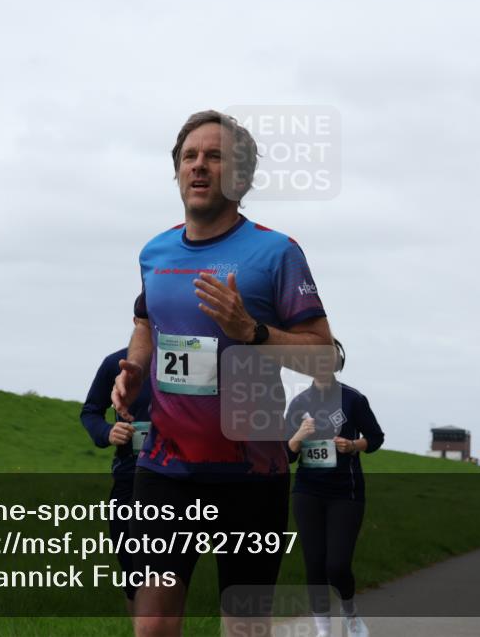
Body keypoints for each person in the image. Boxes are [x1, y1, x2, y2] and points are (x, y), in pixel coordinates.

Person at [111, 110, 334, 637]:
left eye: (214, 156)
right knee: (152, 623)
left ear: (242, 176)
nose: (199, 166)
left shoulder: (277, 253)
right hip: (165, 468)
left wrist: (251, 330)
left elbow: (324, 356)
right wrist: (136, 368)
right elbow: (144, 322)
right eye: (189, 156)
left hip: (251, 472)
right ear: (177, 171)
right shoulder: (155, 253)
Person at [286, 339, 383, 637]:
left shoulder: (353, 399)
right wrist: (299, 435)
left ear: (337, 363)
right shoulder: (299, 403)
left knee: (337, 566)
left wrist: (353, 445)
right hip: (307, 491)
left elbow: (375, 438)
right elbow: (286, 454)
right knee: (315, 564)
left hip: (345, 493)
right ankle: (323, 629)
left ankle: (350, 613)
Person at [80, 345, 153, 616]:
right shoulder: (116, 363)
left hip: (184, 477)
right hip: (130, 478)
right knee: (133, 572)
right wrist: (108, 432)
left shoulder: (197, 356)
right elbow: (90, 411)